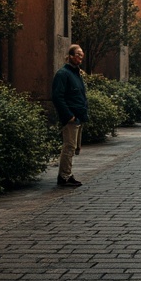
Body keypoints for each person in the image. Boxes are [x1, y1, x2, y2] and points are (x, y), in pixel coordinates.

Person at [52, 43, 88, 187]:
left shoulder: (76, 73)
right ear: (71, 56)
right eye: (78, 54)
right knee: (69, 146)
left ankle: (67, 173)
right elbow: (57, 97)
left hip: (78, 116)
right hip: (71, 118)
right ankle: (64, 176)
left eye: (82, 55)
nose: (80, 57)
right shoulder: (63, 74)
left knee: (75, 148)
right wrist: (68, 116)